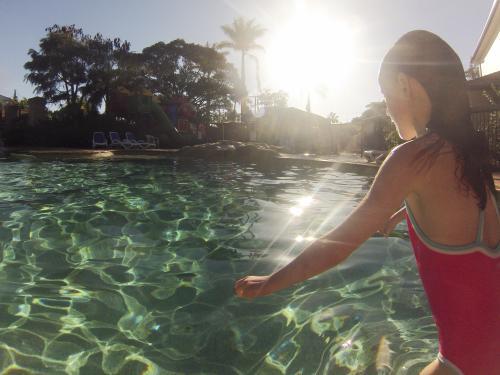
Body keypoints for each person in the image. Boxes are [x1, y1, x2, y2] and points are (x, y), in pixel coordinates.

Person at [233, 30, 500, 375]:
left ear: (405, 84)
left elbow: (339, 245)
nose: (387, 108)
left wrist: (272, 281)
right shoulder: (470, 162)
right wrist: (405, 212)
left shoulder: (410, 159)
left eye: (386, 94)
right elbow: (463, 221)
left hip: (463, 365)